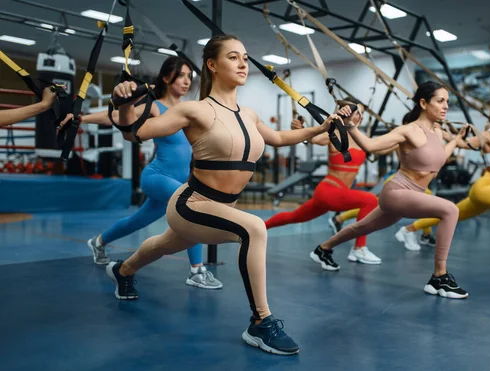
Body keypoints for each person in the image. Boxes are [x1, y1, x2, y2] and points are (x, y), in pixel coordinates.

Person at [107, 34, 339, 355]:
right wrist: (121, 104)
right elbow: (137, 132)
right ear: (212, 65)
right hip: (192, 204)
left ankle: (123, 270)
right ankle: (261, 322)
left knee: (164, 244)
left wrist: (320, 128)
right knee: (253, 228)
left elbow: (280, 138)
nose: (243, 62)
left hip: (221, 208)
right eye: (233, 57)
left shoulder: (249, 114)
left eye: (244, 56)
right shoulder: (194, 110)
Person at [310, 81, 469, 299]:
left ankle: (323, 249)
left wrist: (458, 140)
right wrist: (351, 127)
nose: (445, 106)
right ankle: (439, 277)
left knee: (362, 227)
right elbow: (371, 146)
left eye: (447, 102)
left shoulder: (438, 132)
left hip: (411, 195)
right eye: (440, 101)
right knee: (450, 210)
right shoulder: (408, 131)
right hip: (397, 192)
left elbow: (440, 154)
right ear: (423, 103)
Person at [77, 57, 222, 289]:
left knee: (137, 221)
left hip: (179, 179)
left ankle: (98, 242)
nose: (186, 81)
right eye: (181, 76)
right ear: (166, 78)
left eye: (189, 77)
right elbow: (117, 117)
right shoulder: (155, 106)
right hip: (156, 177)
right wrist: (82, 119)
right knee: (192, 207)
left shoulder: (189, 109)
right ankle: (197, 271)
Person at [398, 97, 490, 269]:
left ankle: (409, 229)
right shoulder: (489, 135)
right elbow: (462, 143)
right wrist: (440, 131)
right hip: (486, 187)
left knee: (452, 213)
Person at [264, 97, 381, 265]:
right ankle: (359, 248)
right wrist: (300, 130)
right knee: (370, 200)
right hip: (330, 190)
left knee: (295, 216)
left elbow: (387, 145)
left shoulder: (363, 138)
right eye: (356, 113)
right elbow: (312, 138)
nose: (360, 117)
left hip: (336, 194)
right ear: (346, 114)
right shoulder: (333, 134)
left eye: (362, 114)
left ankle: (259, 227)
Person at [333, 112, 437, 248]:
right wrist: (365, 144)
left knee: (380, 206)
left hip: (414, 182)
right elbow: (379, 149)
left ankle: (425, 234)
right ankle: (416, 232)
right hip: (402, 179)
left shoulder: (423, 138)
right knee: (379, 206)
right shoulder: (403, 138)